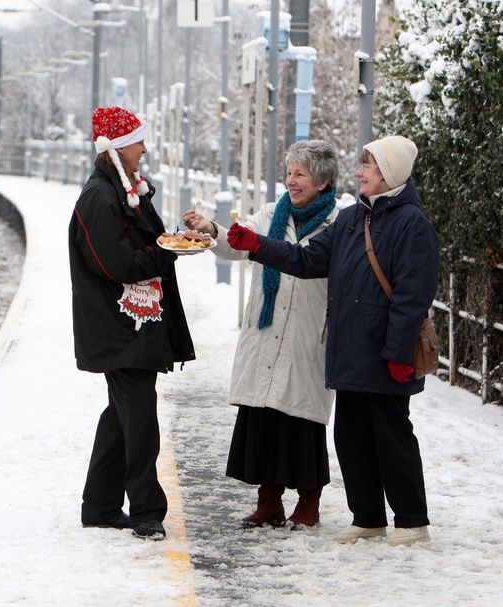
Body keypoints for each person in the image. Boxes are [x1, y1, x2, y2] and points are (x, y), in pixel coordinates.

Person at [226, 135, 439, 546]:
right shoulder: (352, 218)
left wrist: (398, 354)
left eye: (368, 167)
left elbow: (413, 297)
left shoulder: (412, 224)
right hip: (350, 351)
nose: (359, 173)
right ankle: (368, 517)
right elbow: (307, 259)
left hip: (386, 354)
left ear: (390, 174)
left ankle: (412, 521)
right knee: (352, 437)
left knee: (392, 438)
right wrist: (258, 245)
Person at [183, 140, 340, 529]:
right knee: (265, 416)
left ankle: (309, 503)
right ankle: (268, 502)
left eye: (300, 174)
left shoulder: (339, 222)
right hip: (266, 328)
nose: (291, 181)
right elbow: (238, 241)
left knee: (302, 421)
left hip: (307, 333)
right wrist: (211, 229)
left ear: (321, 181)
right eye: (288, 173)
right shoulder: (272, 214)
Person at [69, 106, 196, 540]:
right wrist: (167, 251)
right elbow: (117, 263)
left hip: (131, 324)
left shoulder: (120, 192)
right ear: (118, 148)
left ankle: (100, 506)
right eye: (138, 141)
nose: (145, 148)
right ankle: (147, 512)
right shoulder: (99, 198)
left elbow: (136, 247)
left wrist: (170, 239)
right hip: (119, 328)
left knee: (121, 414)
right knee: (139, 417)